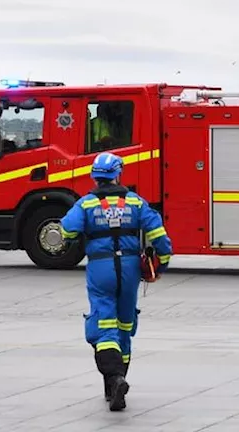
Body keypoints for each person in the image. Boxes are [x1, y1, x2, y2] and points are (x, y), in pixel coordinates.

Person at [59, 152, 172, 411]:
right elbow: (160, 237)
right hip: (130, 267)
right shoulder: (136, 203)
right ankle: (120, 380)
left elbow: (66, 230)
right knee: (124, 324)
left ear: (95, 177)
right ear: (118, 174)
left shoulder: (86, 204)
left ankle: (114, 380)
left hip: (100, 266)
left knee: (103, 323)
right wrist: (161, 263)